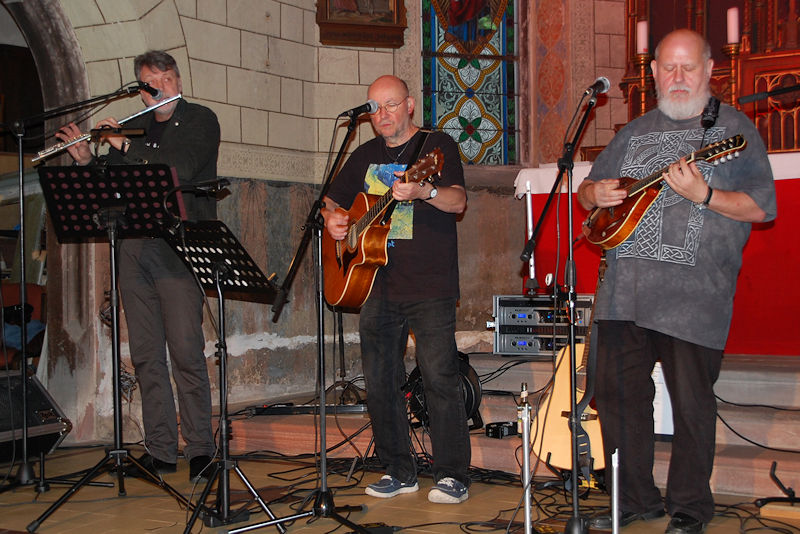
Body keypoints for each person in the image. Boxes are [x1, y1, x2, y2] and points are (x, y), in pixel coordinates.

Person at [577, 29, 777, 534]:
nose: (679, 77)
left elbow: (761, 206)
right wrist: (595, 193)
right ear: (653, 73)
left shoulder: (735, 129)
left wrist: (705, 195)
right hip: (624, 293)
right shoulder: (634, 131)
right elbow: (587, 190)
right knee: (618, 399)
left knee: (691, 405)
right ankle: (633, 499)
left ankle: (689, 507)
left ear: (710, 69)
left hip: (693, 298)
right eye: (669, 67)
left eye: (689, 67)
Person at [55, 50, 219, 483]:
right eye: (151, 82)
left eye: (167, 79)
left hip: (178, 249)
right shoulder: (135, 126)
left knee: (185, 353)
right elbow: (108, 188)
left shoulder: (200, 120)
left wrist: (125, 144)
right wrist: (85, 160)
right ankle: (161, 450)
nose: (160, 87)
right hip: (133, 250)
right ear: (141, 89)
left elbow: (179, 169)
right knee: (146, 357)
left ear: (178, 80)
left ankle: (201, 450)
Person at [321, 75, 471, 503]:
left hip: (429, 282)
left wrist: (425, 189)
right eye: (374, 108)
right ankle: (399, 469)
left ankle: (452, 475)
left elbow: (458, 201)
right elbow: (331, 201)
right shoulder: (364, 155)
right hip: (374, 282)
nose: (382, 114)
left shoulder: (436, 145)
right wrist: (333, 221)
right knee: (380, 380)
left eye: (390, 104)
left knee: (439, 376)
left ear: (409, 105)